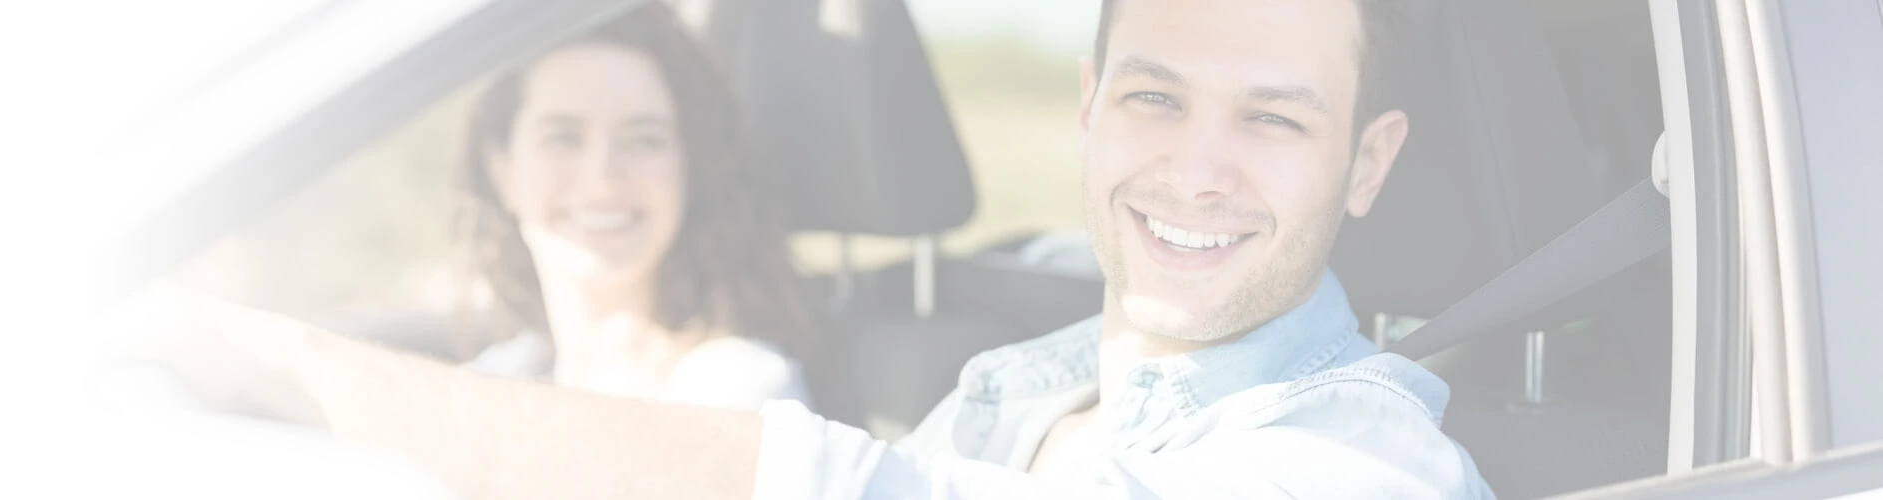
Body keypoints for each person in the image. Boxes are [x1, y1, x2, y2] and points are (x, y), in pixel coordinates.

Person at [133, 0, 1492, 497]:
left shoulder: (1361, 464)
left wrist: (286, 361)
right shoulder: (1015, 387)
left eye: (1272, 118)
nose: (1195, 165)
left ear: (1365, 162)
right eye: (1154, 96)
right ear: (1087, 110)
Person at [447, 4, 815, 409]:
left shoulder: (737, 386)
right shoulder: (500, 377)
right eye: (562, 138)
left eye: (644, 140)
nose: (602, 181)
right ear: (502, 172)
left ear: (689, 168)